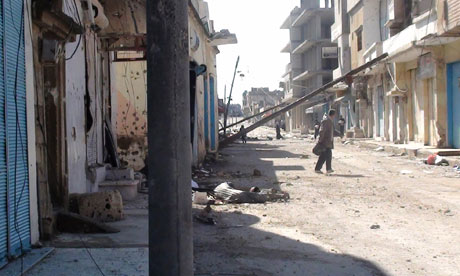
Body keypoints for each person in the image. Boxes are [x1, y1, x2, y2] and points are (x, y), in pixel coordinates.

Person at [315, 109, 342, 174]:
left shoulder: (329, 121)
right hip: (325, 141)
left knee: (323, 156)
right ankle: (328, 169)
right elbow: (322, 131)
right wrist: (320, 140)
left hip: (328, 141)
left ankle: (318, 169)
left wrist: (340, 134)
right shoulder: (326, 121)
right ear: (333, 115)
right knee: (328, 155)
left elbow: (333, 131)